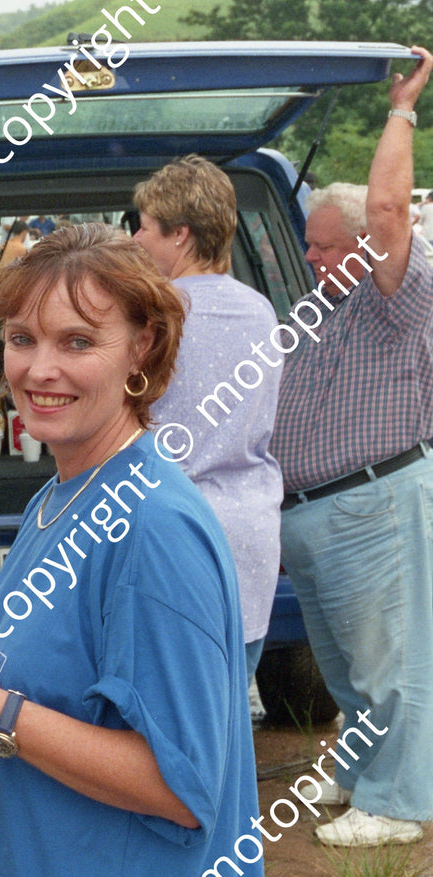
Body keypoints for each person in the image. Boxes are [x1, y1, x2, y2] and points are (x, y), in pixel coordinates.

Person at [0, 225, 259, 875]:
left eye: (77, 341)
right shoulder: (63, 492)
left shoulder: (152, 527)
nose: (39, 369)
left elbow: (182, 788)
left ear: (141, 346)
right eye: (21, 339)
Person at [269, 46, 433, 847]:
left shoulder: (393, 296)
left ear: (365, 241)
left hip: (372, 500)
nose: (313, 258)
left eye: (326, 246)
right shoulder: (318, 312)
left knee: (390, 664)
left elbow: (390, 209)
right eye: (308, 246)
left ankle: (399, 804)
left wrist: (399, 107)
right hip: (316, 514)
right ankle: (364, 774)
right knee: (345, 668)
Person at [132, 154, 283, 683]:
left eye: (145, 227)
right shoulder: (262, 311)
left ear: (181, 235)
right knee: (226, 722)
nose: (136, 240)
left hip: (173, 539)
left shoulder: (152, 316)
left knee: (168, 727)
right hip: (250, 537)